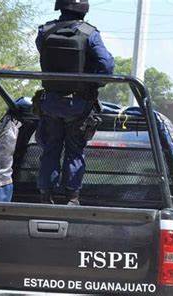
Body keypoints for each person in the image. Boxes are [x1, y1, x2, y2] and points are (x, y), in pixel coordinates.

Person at [35, 0, 114, 205]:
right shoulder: (90, 33)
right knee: (74, 150)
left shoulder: (45, 31)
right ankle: (72, 198)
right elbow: (106, 65)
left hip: (50, 102)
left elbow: (43, 55)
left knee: (51, 147)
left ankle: (46, 195)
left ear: (59, 6)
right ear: (84, 10)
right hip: (78, 105)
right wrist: (91, 82)